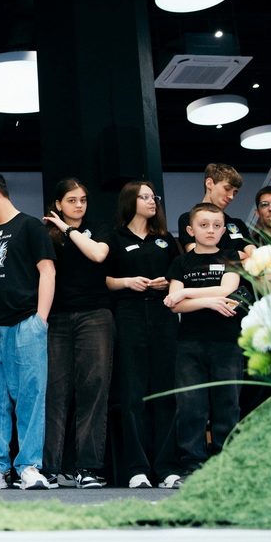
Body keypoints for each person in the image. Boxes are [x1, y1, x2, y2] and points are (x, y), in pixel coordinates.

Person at [0, 171, 56, 490]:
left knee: (30, 396)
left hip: (24, 322)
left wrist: (40, 320)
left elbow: (47, 271)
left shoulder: (30, 226)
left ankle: (29, 466)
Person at [104, 180, 182, 489]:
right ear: (130, 201)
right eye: (145, 197)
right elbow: (104, 279)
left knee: (165, 391)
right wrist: (127, 282)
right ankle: (136, 468)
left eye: (154, 197)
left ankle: (167, 468)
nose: (152, 202)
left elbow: (180, 275)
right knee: (132, 392)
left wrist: (168, 283)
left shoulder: (164, 238)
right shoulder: (115, 237)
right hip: (129, 314)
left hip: (163, 314)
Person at [160, 202, 243, 488]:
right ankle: (192, 467)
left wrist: (186, 292)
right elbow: (174, 304)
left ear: (223, 230)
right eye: (204, 225)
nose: (211, 230)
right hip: (189, 344)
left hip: (226, 343)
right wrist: (208, 301)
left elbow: (228, 289)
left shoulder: (231, 255)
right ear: (190, 229)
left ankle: (225, 466)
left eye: (217, 226)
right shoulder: (181, 262)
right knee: (191, 408)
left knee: (227, 406)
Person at [41, 177, 114, 489]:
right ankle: (49, 468)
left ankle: (88, 467)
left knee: (93, 390)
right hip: (56, 317)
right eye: (71, 200)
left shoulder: (99, 226)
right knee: (54, 392)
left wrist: (69, 229)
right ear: (58, 203)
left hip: (95, 314)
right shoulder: (45, 232)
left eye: (83, 199)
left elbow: (98, 255)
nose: (79, 205)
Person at [176, 163, 255, 257]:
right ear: (209, 183)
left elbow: (255, 257)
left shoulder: (238, 224)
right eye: (227, 189)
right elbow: (196, 255)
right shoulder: (187, 219)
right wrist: (234, 255)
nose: (231, 197)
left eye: (234, 193)